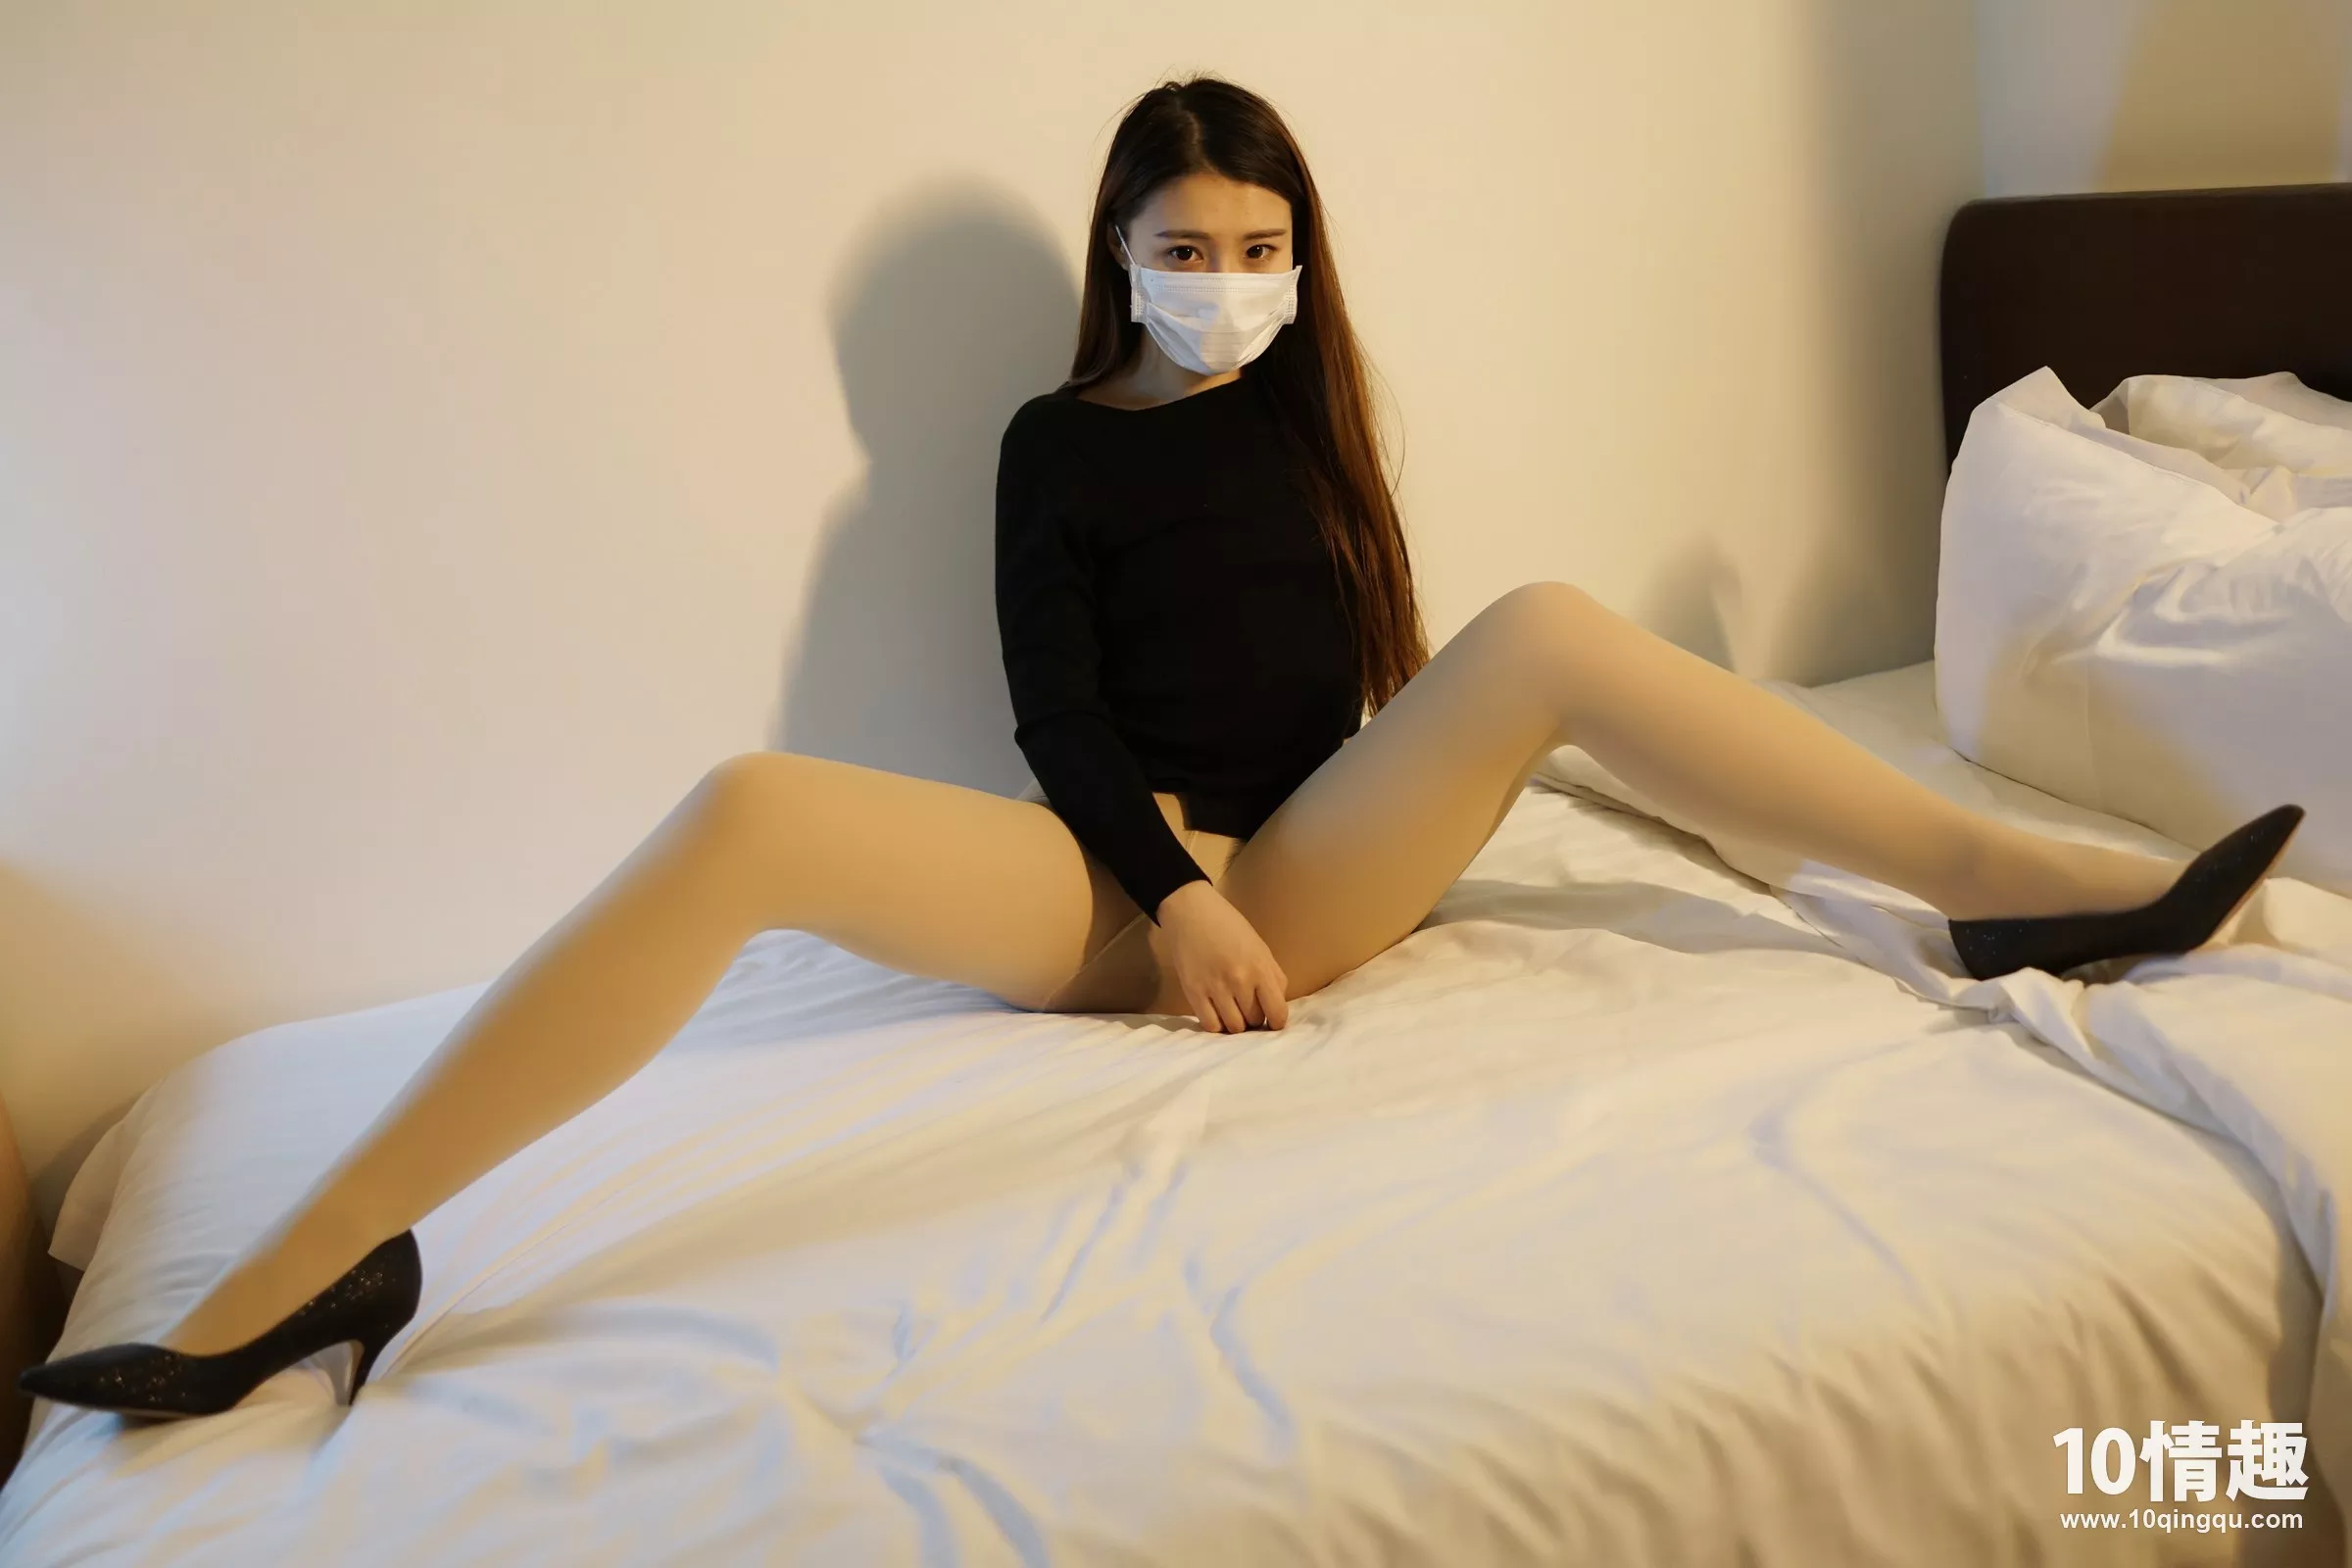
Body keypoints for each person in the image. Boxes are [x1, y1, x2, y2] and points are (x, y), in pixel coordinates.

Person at [21, 74, 2304, 1421]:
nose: (1230, 276)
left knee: (1540, 630)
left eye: (1263, 242)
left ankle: (1998, 883)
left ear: (1302, 257)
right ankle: (326, 1255)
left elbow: (1362, 699)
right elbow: (1060, 713)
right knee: (748, 809)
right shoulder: (1056, 442)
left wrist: (1395, 804)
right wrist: (1180, 893)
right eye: (1189, 244)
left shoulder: (1311, 427)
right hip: (1143, 866)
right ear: (1120, 252)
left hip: (1308, 855)